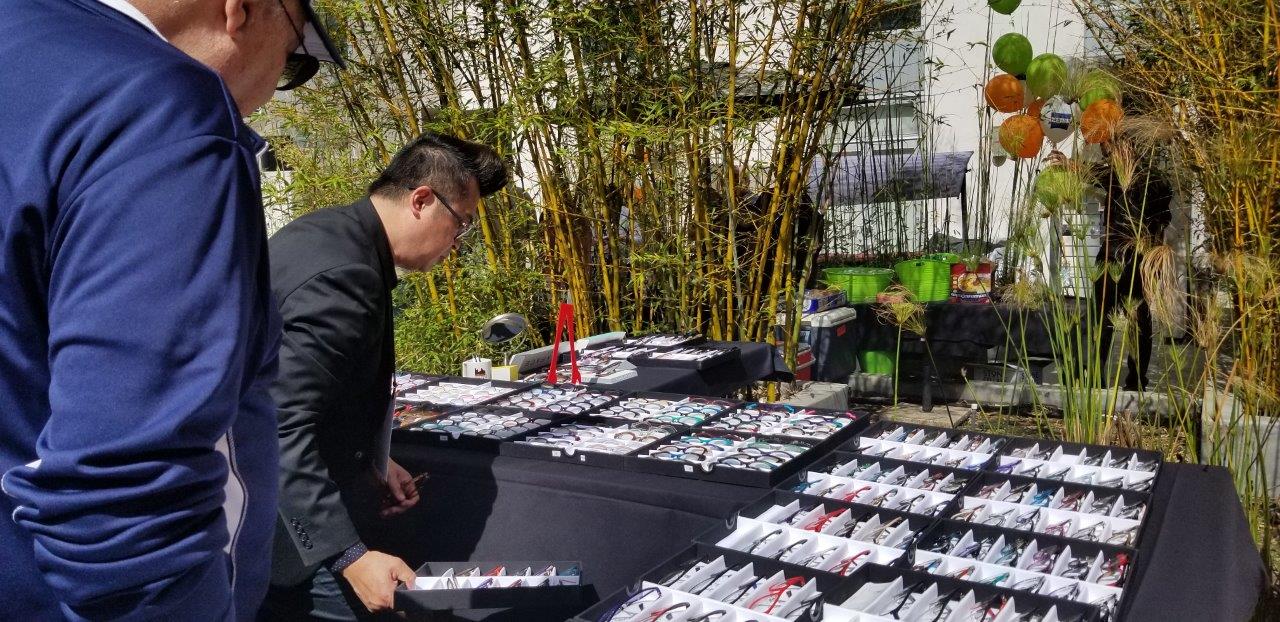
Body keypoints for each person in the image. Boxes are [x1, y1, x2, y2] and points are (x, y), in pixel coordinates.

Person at [0, 0, 344, 619]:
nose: (273, 88)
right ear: (240, 11)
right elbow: (122, 496)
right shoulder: (159, 108)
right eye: (294, 60)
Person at [261, 133, 507, 619]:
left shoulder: (325, 232)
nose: (456, 246)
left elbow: (320, 392)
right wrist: (350, 556)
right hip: (288, 534)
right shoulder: (344, 275)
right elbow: (278, 422)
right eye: (461, 226)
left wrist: (372, 459)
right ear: (421, 200)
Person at [1091, 147, 1173, 391]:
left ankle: (1108, 380)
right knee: (1130, 321)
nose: (1108, 152)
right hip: (1129, 258)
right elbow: (1162, 223)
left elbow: (1085, 173)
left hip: (1121, 258)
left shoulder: (1121, 176)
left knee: (1112, 321)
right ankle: (1131, 381)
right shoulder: (1157, 180)